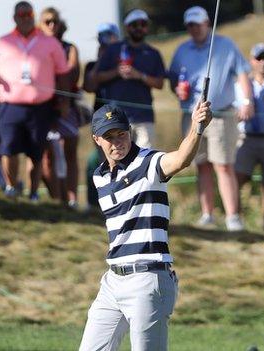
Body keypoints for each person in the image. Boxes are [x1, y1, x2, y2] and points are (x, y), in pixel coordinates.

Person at [78, 101, 213, 351]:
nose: (117, 141)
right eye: (109, 136)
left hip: (147, 279)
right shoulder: (99, 176)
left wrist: (196, 127)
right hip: (112, 281)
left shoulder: (149, 162)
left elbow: (181, 159)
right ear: (97, 139)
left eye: (121, 133)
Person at [0, 1, 70, 201]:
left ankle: (33, 192)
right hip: (10, 106)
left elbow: (62, 73)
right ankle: (11, 187)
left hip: (41, 107)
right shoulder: (2, 42)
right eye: (21, 15)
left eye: (28, 14)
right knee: (8, 148)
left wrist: (64, 101)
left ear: (33, 16)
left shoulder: (49, 42)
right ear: (14, 18)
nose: (25, 18)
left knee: (36, 152)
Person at [169, 6, 253, 231]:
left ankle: (232, 217)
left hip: (220, 115)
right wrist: (178, 90)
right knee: (201, 165)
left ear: (207, 23)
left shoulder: (225, 45)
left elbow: (243, 73)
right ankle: (208, 215)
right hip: (191, 116)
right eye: (190, 25)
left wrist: (247, 101)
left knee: (224, 166)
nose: (194, 29)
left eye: (198, 24)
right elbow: (174, 81)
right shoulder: (181, 50)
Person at [95, 9, 165, 149]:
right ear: (127, 27)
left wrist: (140, 76)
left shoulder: (153, 53)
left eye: (143, 24)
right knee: (119, 163)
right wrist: (116, 72)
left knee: (144, 162)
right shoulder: (113, 49)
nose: (139, 28)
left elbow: (159, 83)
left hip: (143, 117)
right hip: (115, 118)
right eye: (134, 25)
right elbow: (97, 77)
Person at [235, 43, 264, 231]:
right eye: (258, 58)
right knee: (237, 180)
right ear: (251, 61)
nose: (263, 62)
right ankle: (237, 223)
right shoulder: (241, 85)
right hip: (247, 138)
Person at [38, 8, 80, 207]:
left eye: (55, 21)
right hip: (42, 106)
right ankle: (57, 200)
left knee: (69, 151)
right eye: (47, 21)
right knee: (47, 155)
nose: (52, 25)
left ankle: (71, 200)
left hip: (66, 106)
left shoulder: (69, 47)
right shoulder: (35, 46)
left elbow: (72, 72)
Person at [84, 22, 119, 211]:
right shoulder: (93, 65)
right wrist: (101, 60)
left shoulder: (122, 62)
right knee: (98, 160)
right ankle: (94, 203)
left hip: (120, 118)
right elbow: (89, 85)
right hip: (99, 119)